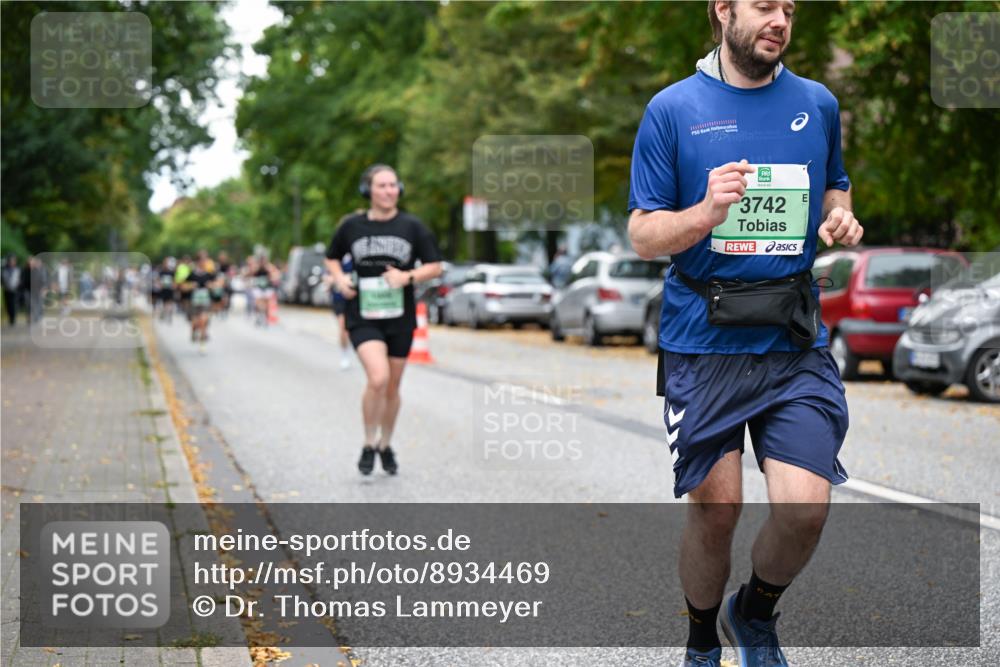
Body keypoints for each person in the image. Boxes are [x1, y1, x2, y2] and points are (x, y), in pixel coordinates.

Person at [627, 2, 863, 666]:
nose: (780, 18)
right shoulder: (672, 109)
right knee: (717, 510)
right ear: (723, 9)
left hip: (793, 339)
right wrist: (704, 213)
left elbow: (835, 187)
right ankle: (702, 638)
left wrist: (840, 216)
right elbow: (643, 233)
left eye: (789, 7)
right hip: (703, 343)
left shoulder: (816, 103)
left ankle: (753, 612)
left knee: (805, 510)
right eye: (764, 5)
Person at [325, 164, 442, 476]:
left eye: (393, 185)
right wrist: (340, 279)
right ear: (368, 190)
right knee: (378, 378)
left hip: (400, 317)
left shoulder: (412, 227)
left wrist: (407, 276)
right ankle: (368, 442)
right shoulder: (351, 226)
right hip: (363, 314)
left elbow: (434, 266)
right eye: (382, 185)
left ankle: (385, 444)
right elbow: (331, 257)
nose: (390, 191)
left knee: (392, 387)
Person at [180, 253, 223, 352]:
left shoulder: (209, 274)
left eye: (205, 260)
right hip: (194, 302)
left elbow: (219, 284)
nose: (204, 263)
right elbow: (182, 286)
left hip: (205, 301)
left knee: (203, 320)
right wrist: (190, 286)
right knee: (195, 322)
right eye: (202, 260)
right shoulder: (192, 274)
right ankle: (193, 331)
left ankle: (202, 343)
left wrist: (211, 285)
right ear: (198, 262)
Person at [2, 255, 21, 326]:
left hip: (15, 290)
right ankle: (10, 317)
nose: (11, 263)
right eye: (10, 261)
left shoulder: (17, 270)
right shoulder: (4, 270)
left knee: (13, 304)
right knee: (8, 304)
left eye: (12, 261)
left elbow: (20, 279)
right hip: (7, 289)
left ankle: (13, 318)